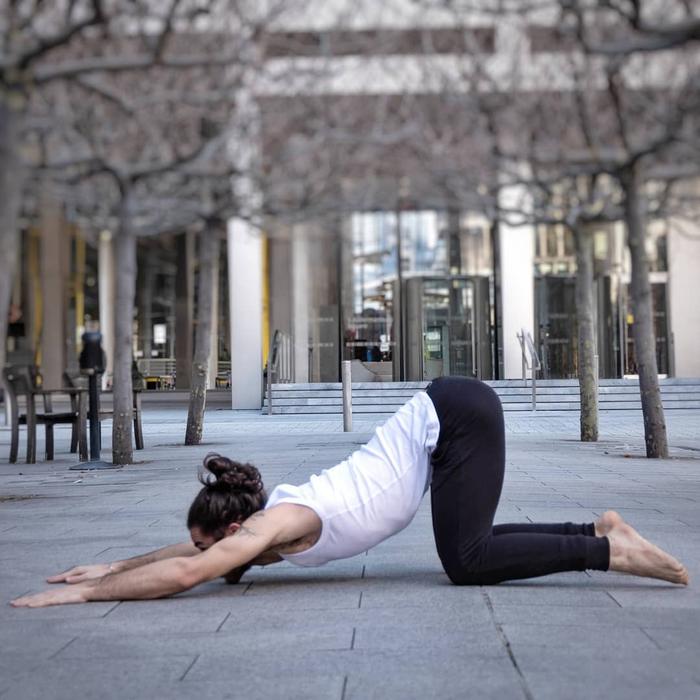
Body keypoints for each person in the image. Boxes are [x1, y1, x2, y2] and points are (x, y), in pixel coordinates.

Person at [11, 377, 688, 608]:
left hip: (455, 418)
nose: (218, 562)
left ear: (235, 531)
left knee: (467, 560)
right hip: (447, 418)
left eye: (214, 545)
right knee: (466, 551)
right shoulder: (265, 530)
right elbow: (187, 554)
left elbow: (189, 570)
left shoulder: (278, 524)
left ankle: (608, 552)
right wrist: (117, 564)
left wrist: (87, 593)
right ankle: (598, 535)